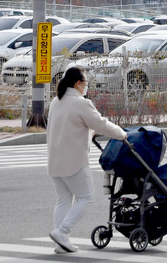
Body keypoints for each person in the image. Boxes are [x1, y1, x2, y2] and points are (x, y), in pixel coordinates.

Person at [47, 66, 127, 253]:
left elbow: (72, 126)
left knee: (63, 200)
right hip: (74, 161)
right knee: (86, 197)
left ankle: (61, 242)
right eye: (86, 83)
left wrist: (90, 132)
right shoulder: (81, 103)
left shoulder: (56, 102)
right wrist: (121, 134)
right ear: (78, 83)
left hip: (55, 159)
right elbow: (100, 123)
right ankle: (62, 231)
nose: (87, 86)